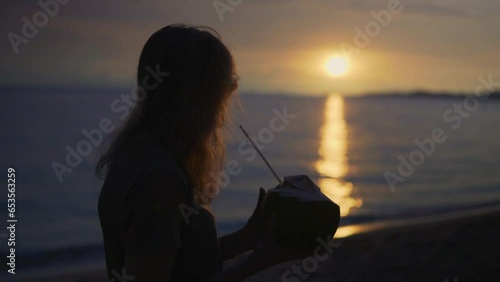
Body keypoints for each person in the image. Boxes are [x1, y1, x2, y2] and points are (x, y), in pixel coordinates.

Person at [96, 24, 310, 282]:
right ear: (199, 97)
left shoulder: (137, 154)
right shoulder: (160, 180)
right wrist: (260, 261)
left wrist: (246, 239)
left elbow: (181, 265)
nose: (222, 115)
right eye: (223, 94)